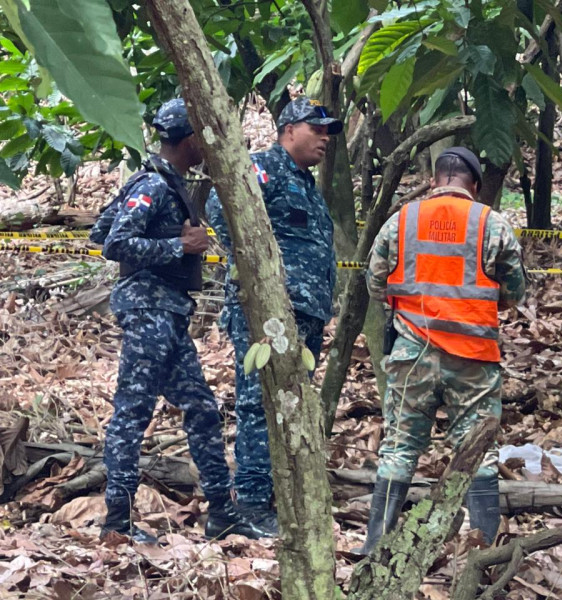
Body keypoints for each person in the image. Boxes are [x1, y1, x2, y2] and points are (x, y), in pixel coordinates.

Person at [95, 99, 270, 543]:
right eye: (201, 140)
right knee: (133, 412)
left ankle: (222, 513)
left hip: (169, 312)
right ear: (190, 140)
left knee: (202, 409)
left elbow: (103, 226)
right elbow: (114, 242)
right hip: (148, 310)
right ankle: (117, 519)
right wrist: (179, 245)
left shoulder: (167, 182)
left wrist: (172, 240)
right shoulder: (154, 183)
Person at [360, 146, 527, 554]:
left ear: (435, 180)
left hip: (411, 353)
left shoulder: (401, 221)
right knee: (478, 453)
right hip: (473, 357)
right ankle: (482, 554)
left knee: (398, 448)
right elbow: (515, 291)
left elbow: (375, 283)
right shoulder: (492, 224)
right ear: (474, 184)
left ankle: (374, 550)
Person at [205, 97, 341, 530]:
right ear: (288, 130)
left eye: (328, 132)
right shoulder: (265, 167)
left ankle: (282, 494)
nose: (324, 138)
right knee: (258, 401)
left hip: (305, 312)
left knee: (291, 401)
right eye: (316, 129)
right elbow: (218, 207)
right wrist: (255, 272)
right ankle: (249, 501)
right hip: (268, 309)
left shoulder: (305, 184)